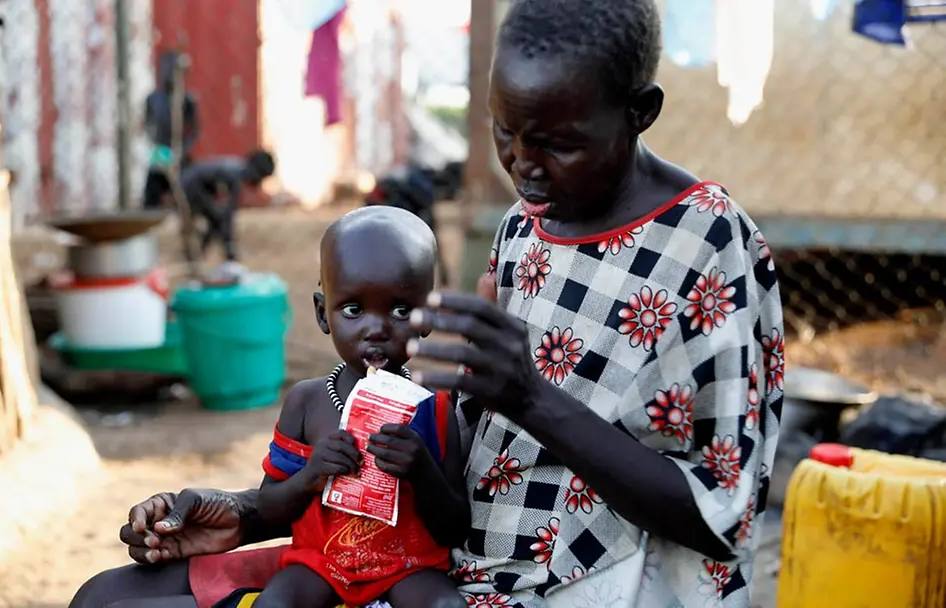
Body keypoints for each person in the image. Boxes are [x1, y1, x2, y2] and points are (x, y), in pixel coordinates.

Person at [71, 0, 785, 606]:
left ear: (640, 113)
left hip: (576, 581)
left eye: (560, 143)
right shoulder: (527, 222)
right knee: (108, 598)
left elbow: (718, 517)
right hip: (442, 558)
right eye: (506, 132)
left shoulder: (707, 247)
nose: (525, 166)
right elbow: (444, 463)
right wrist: (244, 513)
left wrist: (529, 398)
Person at [250, 205, 469, 607]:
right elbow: (268, 510)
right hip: (321, 563)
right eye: (353, 309)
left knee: (446, 606)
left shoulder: (435, 409)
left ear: (428, 318)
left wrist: (422, 470)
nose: (376, 329)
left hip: (408, 565)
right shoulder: (307, 402)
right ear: (322, 313)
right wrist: (311, 474)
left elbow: (455, 527)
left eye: (401, 310)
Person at [179, 150, 275, 262]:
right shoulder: (234, 174)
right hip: (190, 188)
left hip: (192, 186)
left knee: (217, 220)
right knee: (219, 219)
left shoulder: (236, 168)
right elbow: (228, 214)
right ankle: (209, 256)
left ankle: (197, 254)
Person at [143, 51, 200, 210]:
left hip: (180, 152)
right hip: (161, 151)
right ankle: (150, 216)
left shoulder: (187, 99)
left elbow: (194, 131)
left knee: (187, 186)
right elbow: (148, 125)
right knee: (153, 186)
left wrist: (182, 150)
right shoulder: (153, 99)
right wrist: (158, 148)